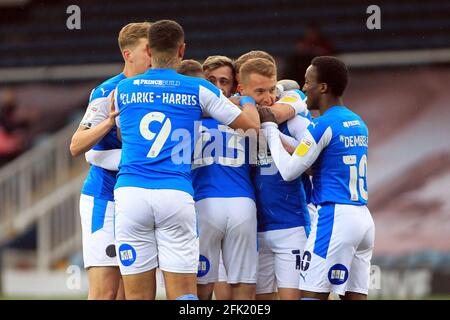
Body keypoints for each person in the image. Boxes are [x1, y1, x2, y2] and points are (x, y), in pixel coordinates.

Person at [113, 19, 260, 300]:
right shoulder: (199, 89)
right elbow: (250, 128)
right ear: (182, 50)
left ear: (148, 48)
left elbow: (124, 134)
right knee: (183, 297)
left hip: (131, 193)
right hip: (174, 193)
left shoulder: (124, 90)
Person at [261, 56, 375, 300]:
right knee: (355, 295)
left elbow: (290, 170)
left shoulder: (322, 124)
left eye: (307, 81)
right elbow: (320, 165)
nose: (304, 88)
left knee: (311, 295)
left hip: (335, 216)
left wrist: (270, 130)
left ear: (322, 87)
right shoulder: (357, 122)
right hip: (363, 219)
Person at [69, 21, 152, 300]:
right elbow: (76, 145)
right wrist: (108, 122)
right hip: (106, 200)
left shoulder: (161, 90)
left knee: (133, 293)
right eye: (148, 50)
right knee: (106, 292)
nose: (154, 56)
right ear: (128, 55)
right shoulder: (108, 91)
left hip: (142, 199)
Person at [238, 58, 310, 300]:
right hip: (253, 229)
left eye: (271, 90)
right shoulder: (234, 124)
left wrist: (275, 135)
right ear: (242, 91)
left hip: (291, 225)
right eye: (259, 92)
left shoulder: (295, 121)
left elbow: (313, 163)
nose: (268, 98)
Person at [192, 55, 256, 300]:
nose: (218, 87)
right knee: (243, 285)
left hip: (206, 206)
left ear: (233, 85)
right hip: (239, 205)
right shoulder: (246, 116)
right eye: (211, 80)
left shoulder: (188, 115)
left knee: (201, 287)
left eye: (223, 81)